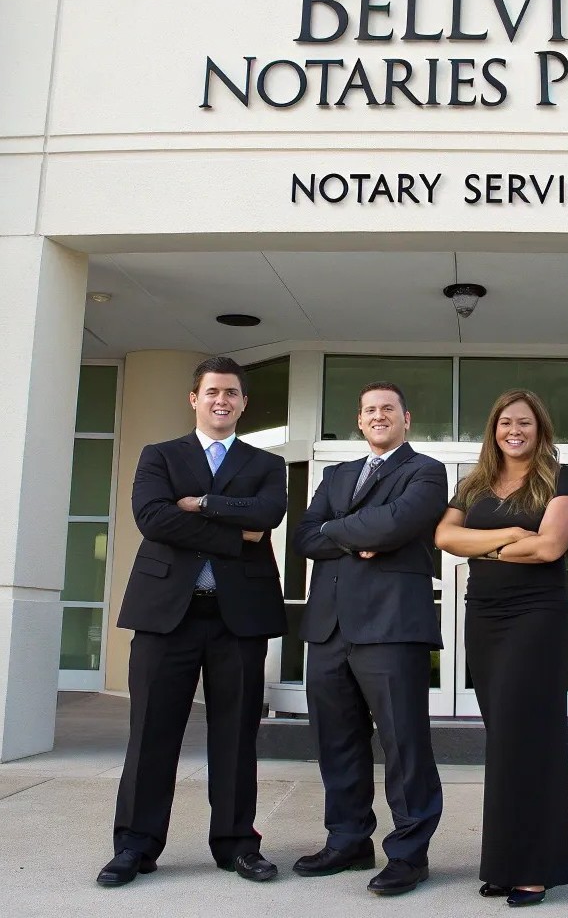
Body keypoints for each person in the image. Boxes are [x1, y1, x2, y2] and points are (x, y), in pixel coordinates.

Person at [97, 356, 287, 887]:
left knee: (236, 737)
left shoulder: (266, 464)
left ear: (244, 403)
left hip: (238, 620)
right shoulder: (159, 455)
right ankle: (135, 844)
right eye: (212, 392)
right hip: (165, 618)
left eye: (231, 393)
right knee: (151, 734)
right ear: (194, 399)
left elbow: (266, 515)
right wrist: (233, 533)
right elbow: (153, 518)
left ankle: (236, 845)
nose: (221, 401)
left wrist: (200, 504)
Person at [292, 382, 447, 896]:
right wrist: (354, 533)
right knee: (336, 742)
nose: (378, 416)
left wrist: (341, 529)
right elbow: (306, 537)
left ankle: (408, 854)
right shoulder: (335, 474)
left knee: (403, 742)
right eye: (369, 411)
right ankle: (348, 840)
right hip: (329, 627)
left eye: (388, 409)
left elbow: (397, 524)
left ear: (407, 418)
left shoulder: (425, 471)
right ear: (359, 421)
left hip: (392, 626)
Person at [435, 390, 568, 908]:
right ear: (493, 430)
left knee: (530, 738)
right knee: (503, 739)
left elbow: (550, 546)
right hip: (486, 617)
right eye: (504, 423)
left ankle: (534, 868)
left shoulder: (559, 478)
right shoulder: (473, 484)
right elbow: (445, 537)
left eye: (524, 422)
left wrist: (485, 545)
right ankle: (503, 864)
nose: (513, 430)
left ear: (539, 428)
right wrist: (504, 541)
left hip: (535, 617)